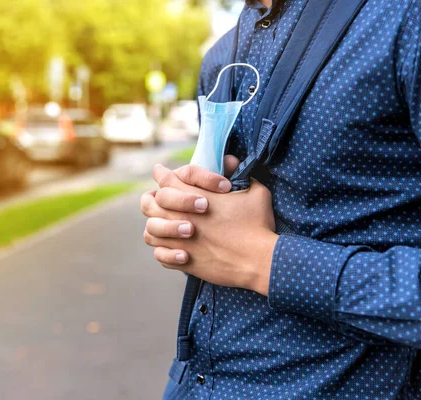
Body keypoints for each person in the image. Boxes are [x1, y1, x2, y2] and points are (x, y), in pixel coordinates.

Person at [141, 0, 421, 398]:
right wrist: (184, 222)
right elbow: (224, 238)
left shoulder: (405, 18)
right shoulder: (220, 58)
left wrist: (263, 261)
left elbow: (246, 251)